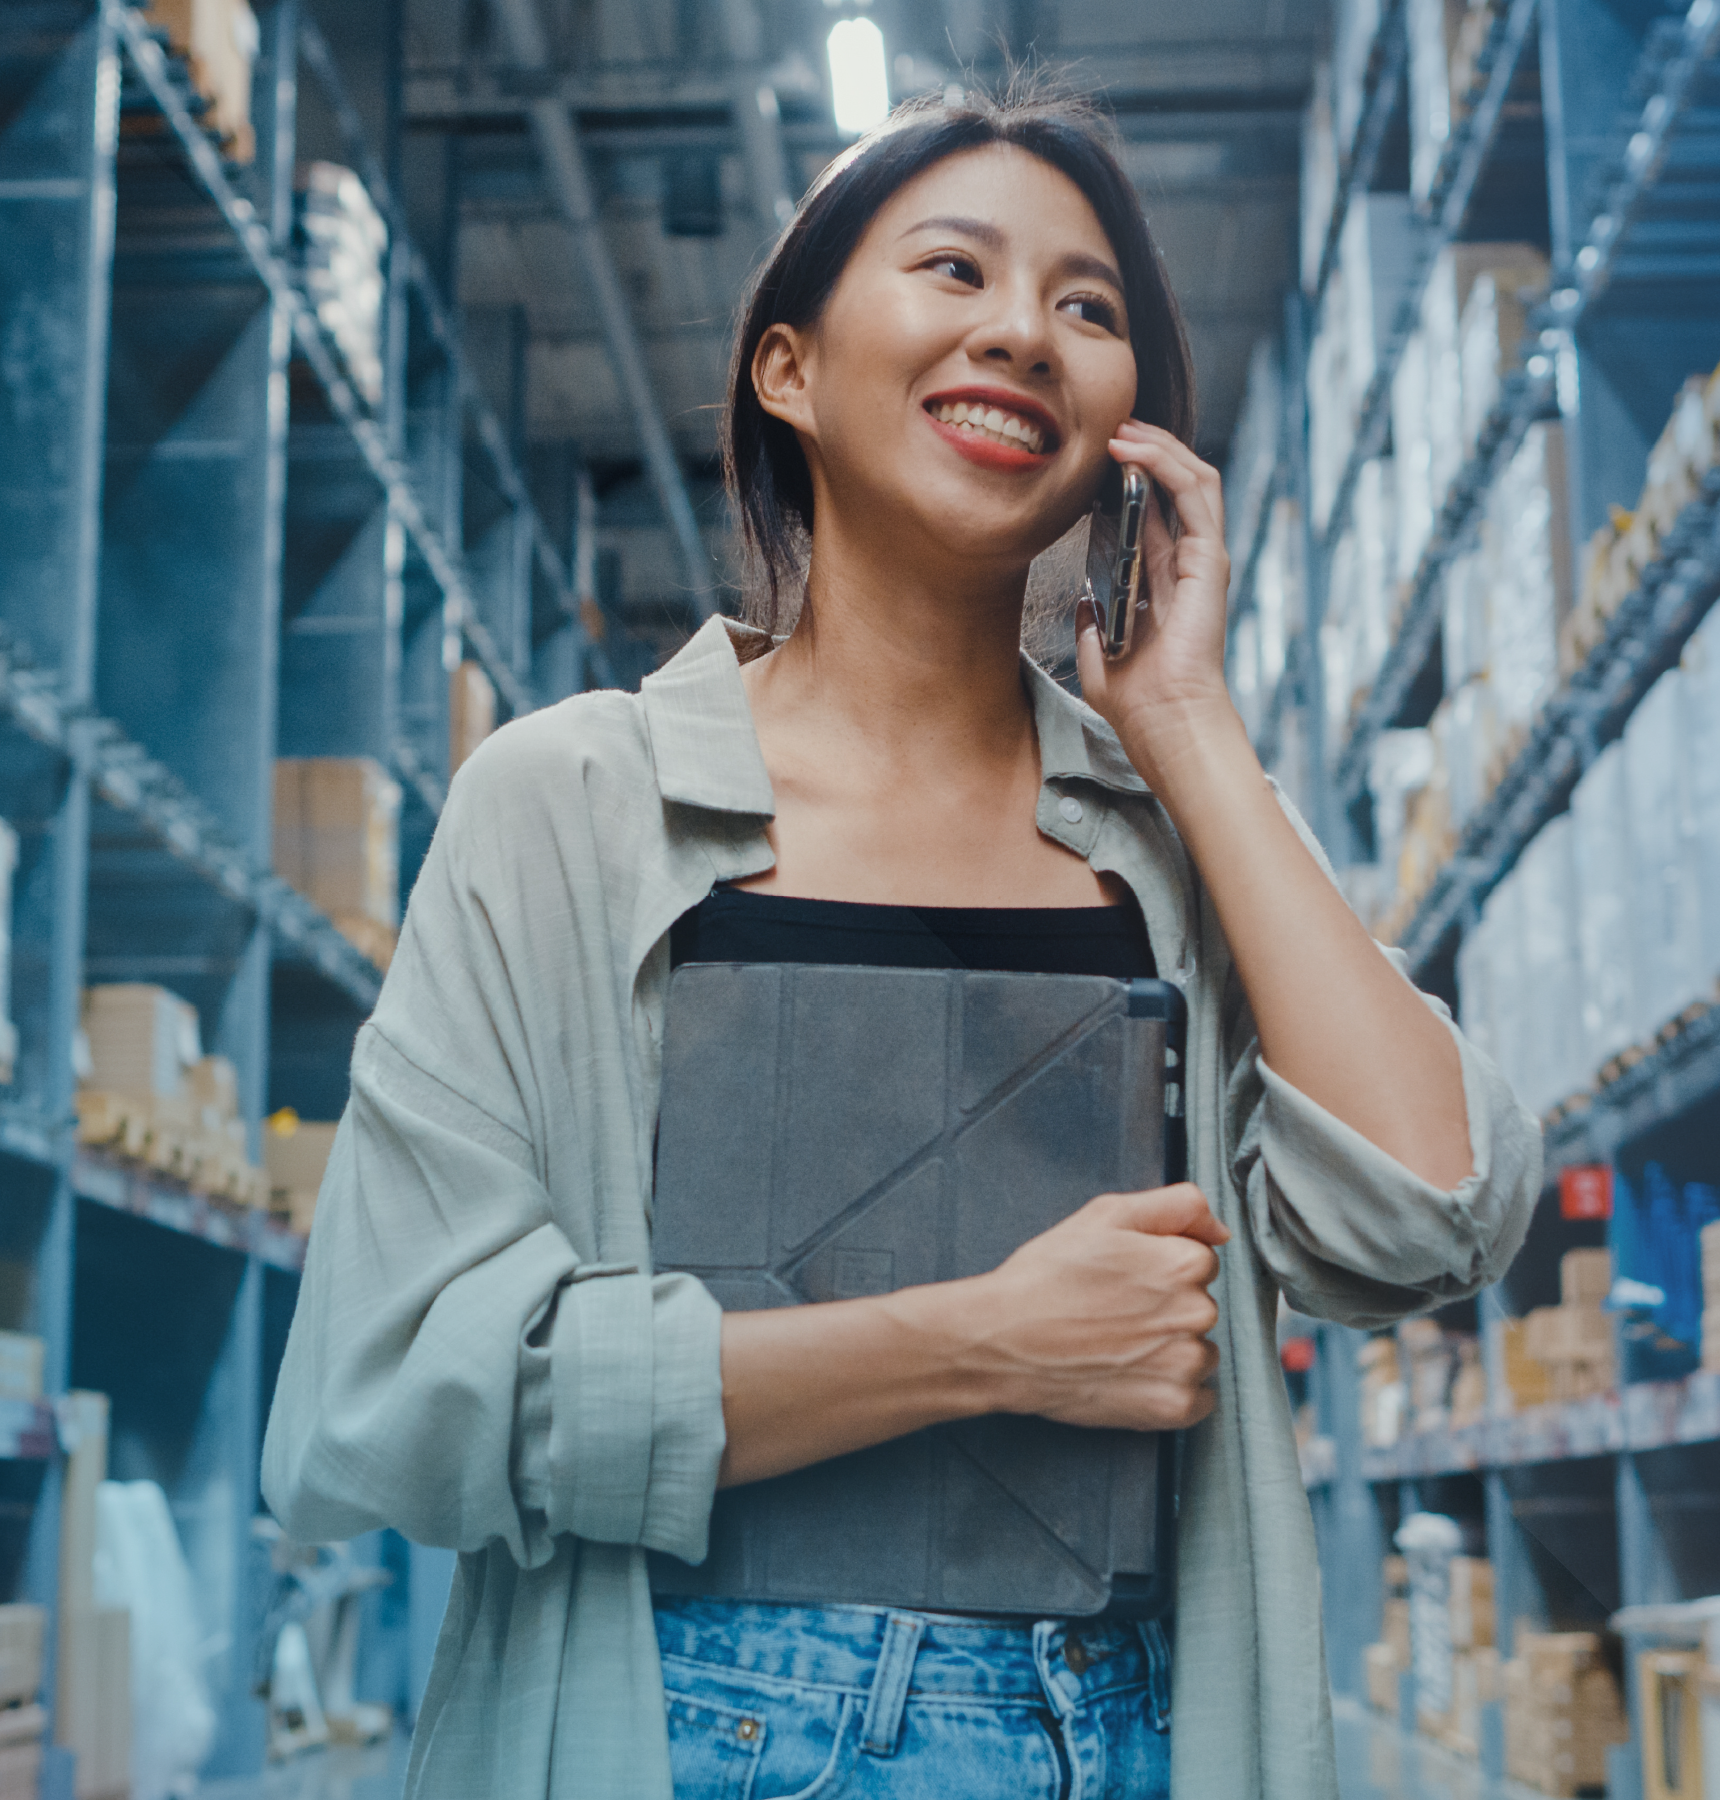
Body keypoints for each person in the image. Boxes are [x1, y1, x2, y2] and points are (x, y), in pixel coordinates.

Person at [264, 83, 1541, 1800]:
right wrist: (987, 1343)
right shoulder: (570, 805)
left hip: (1131, 1733)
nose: (1024, 331)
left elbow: (1431, 1212)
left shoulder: (1165, 841)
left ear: (1126, 428)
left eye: (1088, 311)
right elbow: (392, 1400)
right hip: (695, 1728)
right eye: (956, 270)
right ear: (787, 368)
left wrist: (1195, 731)